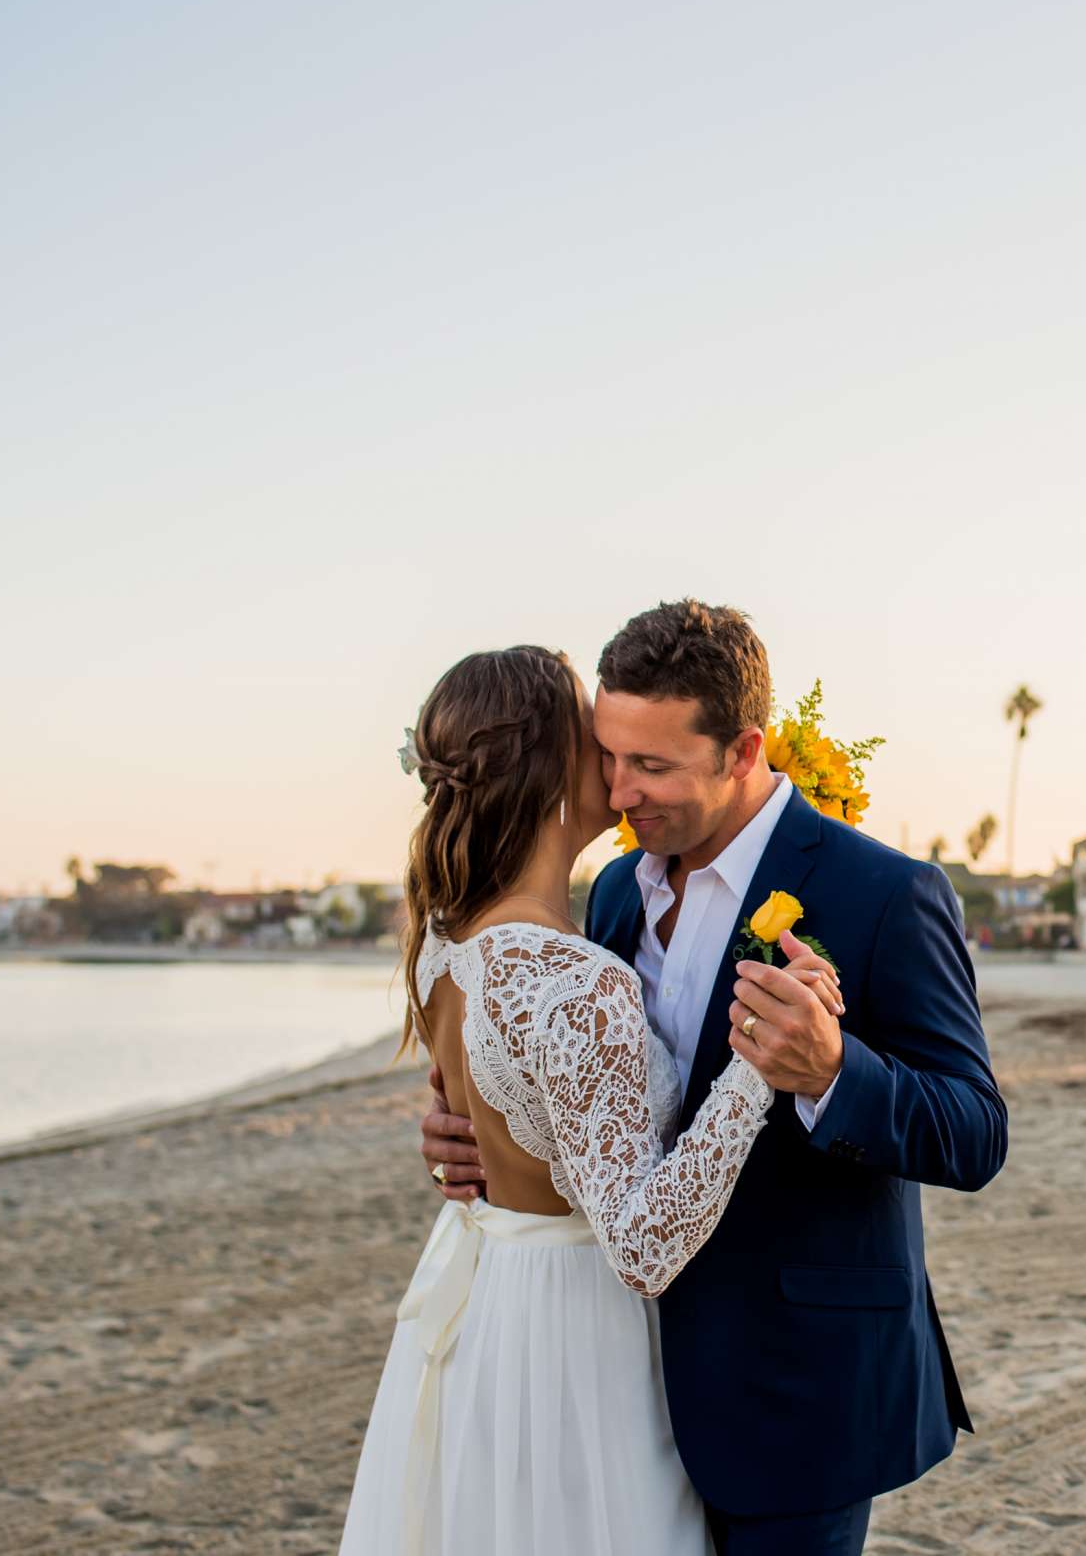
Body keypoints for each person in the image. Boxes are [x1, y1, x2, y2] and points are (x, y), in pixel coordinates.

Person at [420, 601, 1007, 1555]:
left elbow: (977, 1131)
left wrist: (831, 1070)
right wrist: (483, 1129)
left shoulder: (886, 895)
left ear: (743, 751)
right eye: (610, 754)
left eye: (651, 766)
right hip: (620, 1384)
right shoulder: (611, 889)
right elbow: (582, 1097)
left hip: (796, 1390)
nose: (618, 791)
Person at [343, 644, 847, 1553]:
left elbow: (504, 1115)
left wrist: (461, 1143)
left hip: (492, 1300)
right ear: (549, 769)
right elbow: (643, 1245)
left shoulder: (445, 944)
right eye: (593, 738)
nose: (614, 768)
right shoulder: (575, 980)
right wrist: (755, 1070)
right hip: (572, 1334)